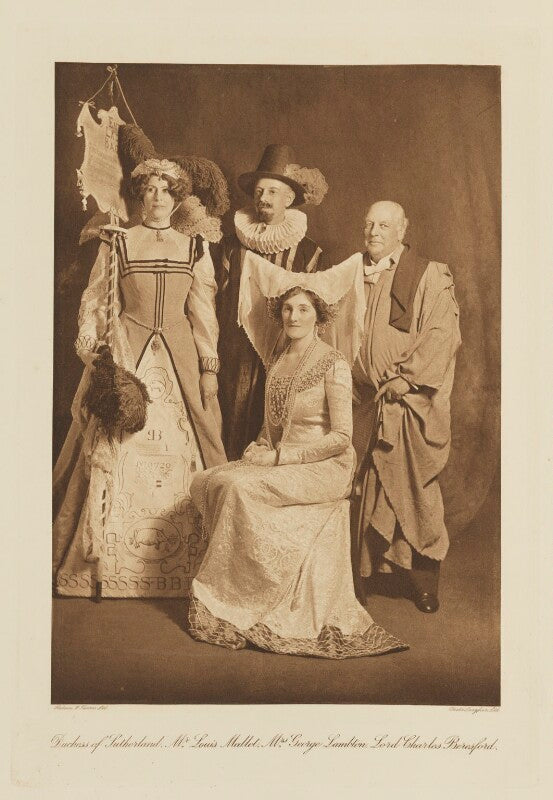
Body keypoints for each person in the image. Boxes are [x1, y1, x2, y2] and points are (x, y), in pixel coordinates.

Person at [187, 252, 406, 658]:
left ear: (319, 316)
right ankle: (237, 595)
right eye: (288, 308)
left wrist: (279, 457)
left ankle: (247, 599)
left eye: (303, 309)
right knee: (208, 479)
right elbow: (272, 424)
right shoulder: (278, 359)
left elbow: (341, 437)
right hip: (282, 457)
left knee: (237, 488)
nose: (293, 316)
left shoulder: (333, 364)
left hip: (325, 466)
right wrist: (260, 444)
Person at [52, 158, 227, 598]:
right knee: (112, 441)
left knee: (199, 439)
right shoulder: (118, 242)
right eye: (149, 189)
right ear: (139, 196)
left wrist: (208, 368)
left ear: (177, 198)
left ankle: (198, 567)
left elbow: (202, 313)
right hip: (129, 351)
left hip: (181, 355)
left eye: (166, 190)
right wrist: (93, 346)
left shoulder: (195, 247)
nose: (158, 197)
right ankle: (103, 565)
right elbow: (98, 299)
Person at [350, 200, 461, 613]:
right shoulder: (353, 272)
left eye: (384, 225)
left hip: (410, 401)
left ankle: (423, 582)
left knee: (416, 490)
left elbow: (442, 333)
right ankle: (367, 573)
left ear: (403, 229)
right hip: (367, 399)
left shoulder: (429, 273)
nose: (374, 232)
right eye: (369, 224)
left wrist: (407, 378)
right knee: (366, 486)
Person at [216, 144, 329, 460]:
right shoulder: (231, 247)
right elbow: (215, 303)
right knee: (229, 425)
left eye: (272, 192)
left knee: (274, 429)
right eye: (259, 191)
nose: (263, 198)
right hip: (234, 353)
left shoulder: (308, 253)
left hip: (283, 354)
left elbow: (314, 315)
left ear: (288, 199)